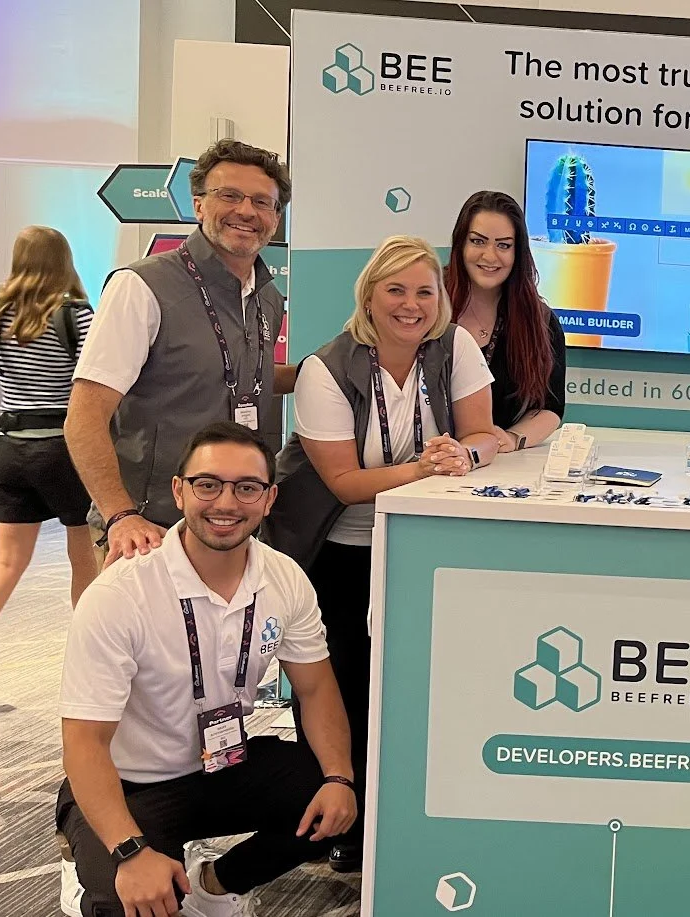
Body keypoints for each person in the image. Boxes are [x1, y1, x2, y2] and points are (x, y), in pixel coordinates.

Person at [56, 422, 357, 917]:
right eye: (207, 484)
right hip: (127, 784)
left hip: (219, 765)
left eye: (247, 488)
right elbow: (83, 744)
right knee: (130, 900)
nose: (226, 503)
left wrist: (339, 778)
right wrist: (130, 854)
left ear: (268, 499)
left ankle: (214, 887)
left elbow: (317, 688)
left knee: (335, 805)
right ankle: (89, 861)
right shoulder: (120, 594)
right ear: (179, 491)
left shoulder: (285, 578)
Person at [271, 234, 497, 872]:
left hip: (424, 544)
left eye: (424, 291)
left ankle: (410, 814)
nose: (411, 304)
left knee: (418, 683)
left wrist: (469, 453)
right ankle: (341, 820)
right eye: (395, 289)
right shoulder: (326, 368)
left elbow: (483, 434)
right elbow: (344, 483)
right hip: (335, 548)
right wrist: (430, 466)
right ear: (368, 296)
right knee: (340, 683)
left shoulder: (454, 349)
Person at [66, 139, 296, 567]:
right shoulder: (141, 287)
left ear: (276, 217)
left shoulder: (267, 298)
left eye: (262, 202)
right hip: (149, 533)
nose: (246, 211)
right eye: (229, 195)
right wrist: (120, 515)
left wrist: (323, 370)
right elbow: (84, 415)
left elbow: (240, 376)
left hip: (233, 531)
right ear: (198, 205)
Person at [0, 227, 98, 619]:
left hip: (9, 447)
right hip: (62, 448)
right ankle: (89, 651)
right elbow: (92, 381)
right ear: (63, 261)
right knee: (84, 553)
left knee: (5, 563)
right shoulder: (75, 315)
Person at [446, 190, 568, 450]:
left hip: (498, 468)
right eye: (478, 241)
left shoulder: (542, 323)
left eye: (503, 245)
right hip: (425, 460)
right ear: (460, 244)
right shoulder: (428, 306)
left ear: (518, 252)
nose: (490, 256)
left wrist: (512, 439)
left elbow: (549, 407)